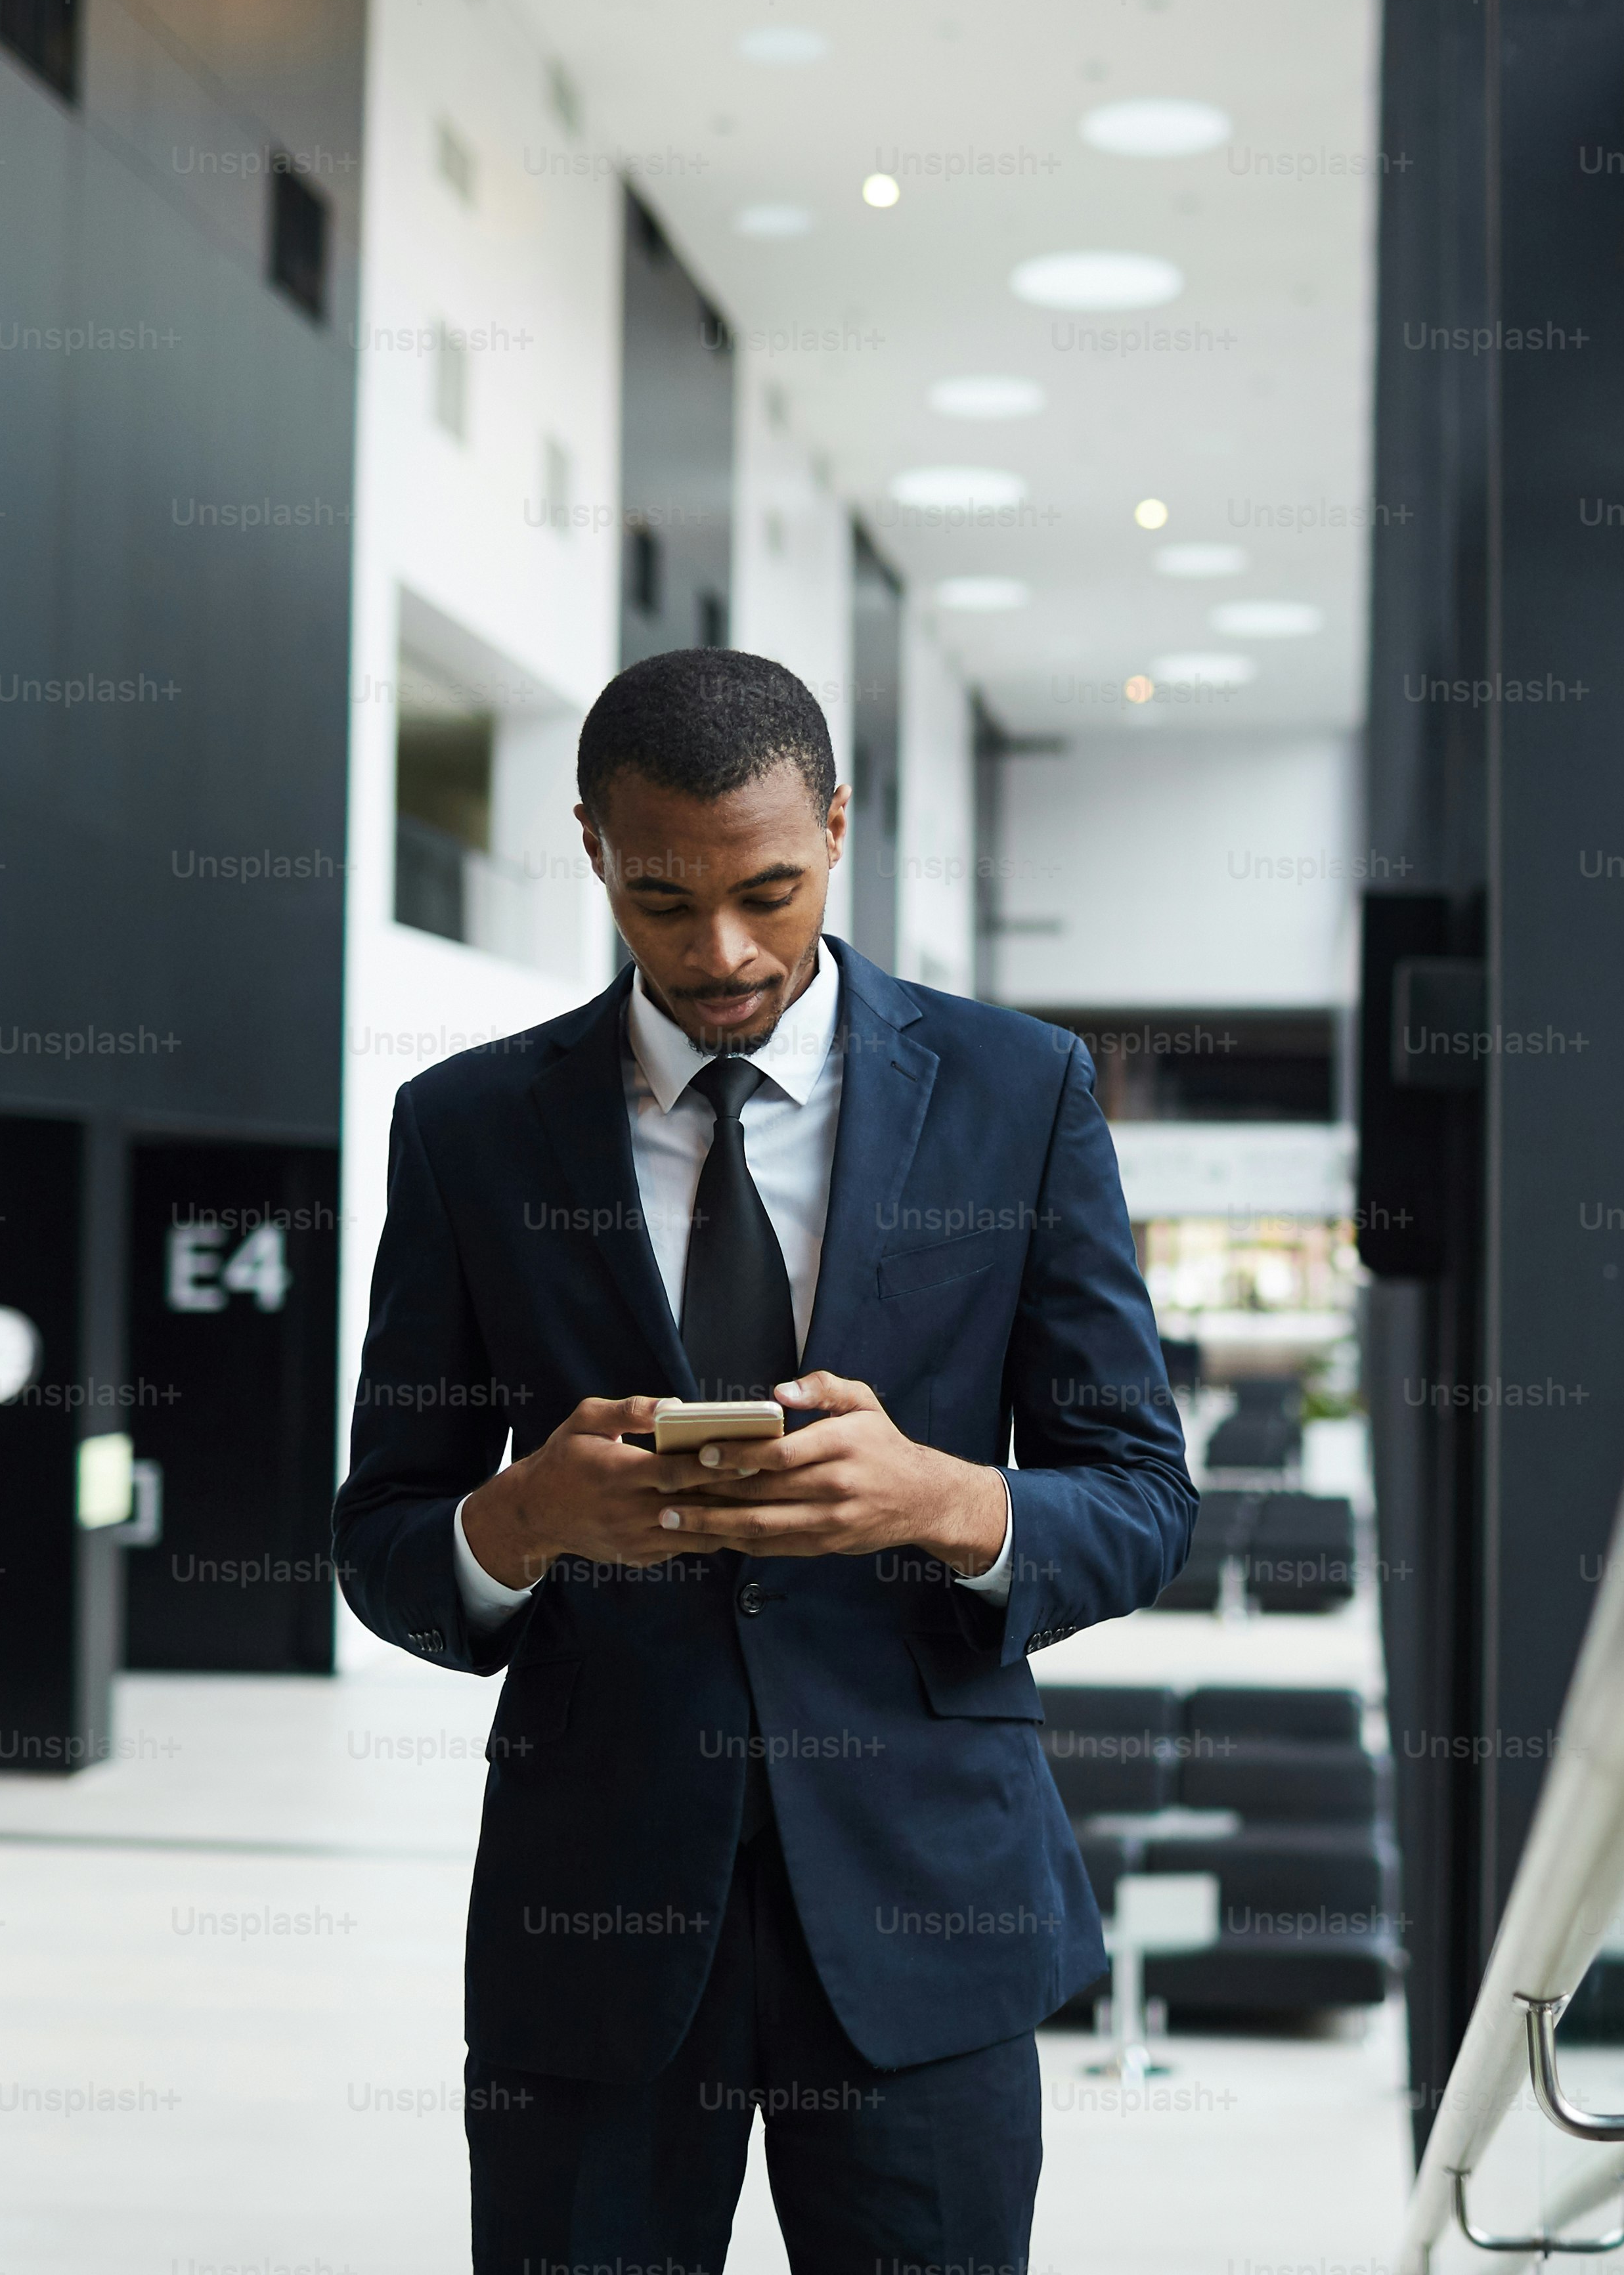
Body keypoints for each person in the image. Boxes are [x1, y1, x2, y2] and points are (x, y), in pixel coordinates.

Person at [333, 648, 1196, 2275]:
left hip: (924, 1913)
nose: (721, 951)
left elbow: (1144, 1497)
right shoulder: (469, 1129)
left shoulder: (1020, 1093)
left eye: (769, 892)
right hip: (592, 1925)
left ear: (839, 829)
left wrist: (947, 1501)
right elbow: (383, 1536)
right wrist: (521, 1521)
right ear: (591, 848)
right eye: (661, 900)